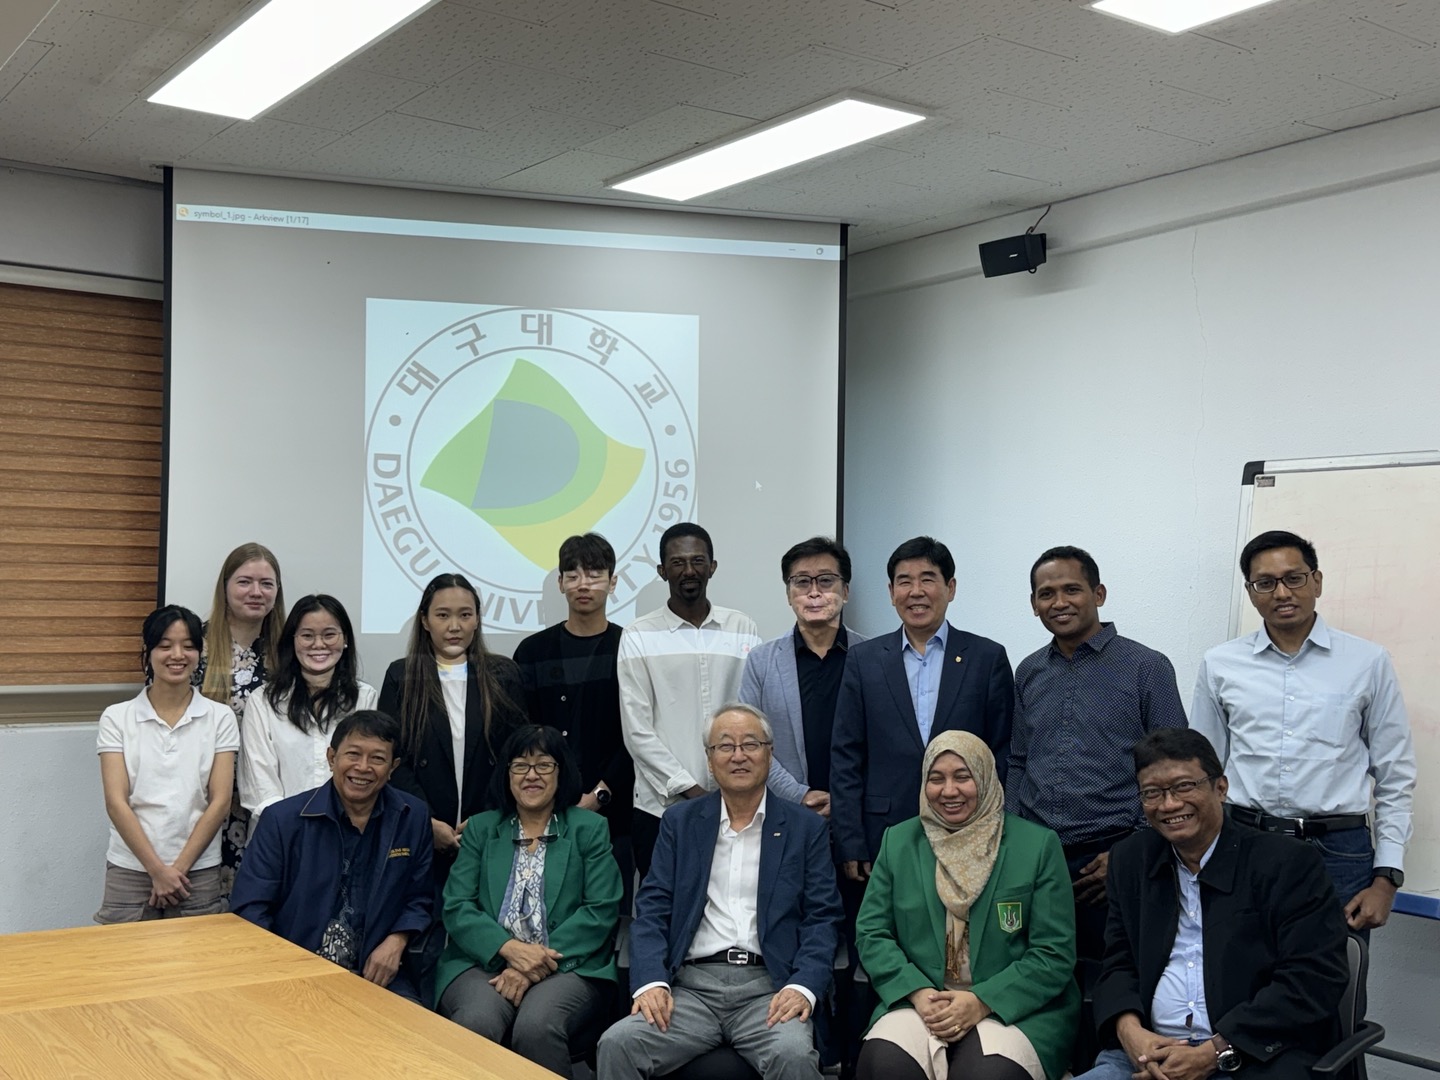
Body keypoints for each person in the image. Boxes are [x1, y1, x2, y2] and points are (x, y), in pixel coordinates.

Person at [1080, 728, 1349, 1080]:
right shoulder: (1131, 860)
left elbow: (1313, 979)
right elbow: (1118, 963)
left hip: (1255, 1057)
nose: (1169, 804)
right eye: (1152, 793)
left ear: (1220, 788)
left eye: (1184, 786)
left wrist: (1214, 1051)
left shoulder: (1286, 864)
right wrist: (1130, 1032)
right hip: (1150, 1057)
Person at [597, 703, 843, 1080]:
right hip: (690, 990)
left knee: (793, 1054)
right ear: (710, 761)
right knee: (617, 1044)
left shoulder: (804, 827)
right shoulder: (680, 822)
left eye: (751, 744)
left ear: (770, 753)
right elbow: (652, 910)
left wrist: (803, 986)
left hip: (770, 989)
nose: (738, 755)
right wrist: (651, 982)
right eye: (725, 746)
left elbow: (822, 919)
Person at [1190, 530, 1416, 934]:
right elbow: (1203, 770)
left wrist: (1387, 877)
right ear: (1251, 591)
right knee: (1237, 966)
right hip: (1243, 842)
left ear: (1317, 582)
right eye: (1265, 583)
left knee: (1333, 970)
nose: (1282, 593)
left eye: (1294, 578)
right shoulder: (1221, 664)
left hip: (1338, 854)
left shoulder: (1367, 662)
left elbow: (1395, 775)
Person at [855, 731, 1079, 1080]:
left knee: (986, 1075)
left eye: (963, 776)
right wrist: (918, 992)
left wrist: (981, 1001)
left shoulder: (1037, 846)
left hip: (1014, 1007)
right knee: (885, 1064)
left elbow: (1053, 952)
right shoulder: (898, 842)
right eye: (936, 779)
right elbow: (872, 933)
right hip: (922, 1000)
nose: (949, 791)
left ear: (985, 778)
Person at [1005, 546, 1186, 965]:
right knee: (1039, 973)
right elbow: (1018, 760)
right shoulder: (1029, 671)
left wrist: (1132, 853)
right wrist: (1014, 836)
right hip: (1038, 855)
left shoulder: (1147, 667)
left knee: (1116, 977)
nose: (1059, 602)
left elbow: (1172, 769)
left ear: (1098, 594)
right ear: (1034, 604)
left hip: (1113, 856)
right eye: (1046, 594)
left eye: (1072, 589)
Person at [436, 725, 623, 1078]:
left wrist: (532, 962)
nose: (531, 775)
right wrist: (507, 949)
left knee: (537, 1026)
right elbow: (457, 905)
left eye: (544, 765)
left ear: (561, 772)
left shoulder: (589, 828)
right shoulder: (482, 829)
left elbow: (600, 909)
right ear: (507, 775)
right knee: (475, 1021)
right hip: (482, 962)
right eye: (520, 765)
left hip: (568, 964)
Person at [832, 535, 1014, 884]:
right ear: (891, 592)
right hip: (883, 831)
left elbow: (1003, 751)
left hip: (968, 829)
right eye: (904, 582)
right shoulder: (863, 660)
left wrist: (996, 826)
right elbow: (846, 755)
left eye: (928, 579)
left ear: (950, 588)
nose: (916, 592)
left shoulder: (986, 658)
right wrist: (850, 840)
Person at [230, 710, 434, 1000]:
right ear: (331, 758)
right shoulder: (282, 820)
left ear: (393, 767)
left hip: (379, 974)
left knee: (414, 1027)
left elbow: (420, 897)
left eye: (377, 758)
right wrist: (282, 968)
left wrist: (397, 940)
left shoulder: (412, 817)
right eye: (353, 754)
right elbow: (250, 907)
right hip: (293, 971)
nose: (363, 767)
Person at [618, 523, 761, 881]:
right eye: (677, 562)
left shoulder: (742, 628)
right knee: (666, 906)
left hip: (737, 804)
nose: (689, 570)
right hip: (661, 810)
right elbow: (637, 731)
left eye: (698, 561)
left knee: (735, 902)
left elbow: (755, 714)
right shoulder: (638, 635)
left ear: (713, 567)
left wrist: (733, 786)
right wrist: (691, 790)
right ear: (662, 571)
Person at [377, 572, 528, 887]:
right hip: (421, 835)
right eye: (443, 615)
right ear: (425, 620)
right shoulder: (401, 675)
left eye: (465, 615)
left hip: (492, 830)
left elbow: (516, 754)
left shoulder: (503, 675)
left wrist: (489, 816)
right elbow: (392, 757)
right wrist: (425, 821)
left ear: (477, 620)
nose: (455, 626)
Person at [95, 605, 239, 923]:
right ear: (148, 652)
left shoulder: (220, 717)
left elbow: (220, 801)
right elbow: (116, 802)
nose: (177, 655)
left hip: (197, 871)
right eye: (165, 645)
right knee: (123, 955)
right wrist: (157, 870)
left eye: (188, 646)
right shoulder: (116, 717)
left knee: (196, 955)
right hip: (130, 868)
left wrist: (177, 870)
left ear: (199, 653)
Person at [513, 533, 634, 897]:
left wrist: (600, 795)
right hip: (540, 813)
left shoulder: (631, 648)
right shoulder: (532, 652)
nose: (584, 584)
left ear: (613, 582)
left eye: (595, 574)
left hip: (615, 817)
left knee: (610, 913)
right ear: (560, 583)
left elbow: (639, 731)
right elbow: (521, 732)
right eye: (573, 575)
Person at [740, 536, 868, 813]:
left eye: (826, 580)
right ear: (788, 594)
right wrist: (799, 795)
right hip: (784, 812)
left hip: (858, 811)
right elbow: (749, 742)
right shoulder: (761, 662)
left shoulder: (873, 657)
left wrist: (845, 797)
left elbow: (885, 742)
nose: (814, 592)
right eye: (802, 582)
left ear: (846, 591)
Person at [238, 594, 377, 831]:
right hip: (278, 834)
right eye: (307, 635)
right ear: (292, 640)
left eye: (329, 634)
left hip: (345, 831)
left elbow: (365, 772)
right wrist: (293, 829)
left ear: (345, 640)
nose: (318, 644)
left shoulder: (364, 698)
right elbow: (258, 781)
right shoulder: (263, 701)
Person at [194, 541, 286, 891]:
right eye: (245, 581)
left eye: (266, 584)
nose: (256, 592)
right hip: (204, 800)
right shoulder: (193, 645)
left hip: (269, 796)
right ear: (225, 587)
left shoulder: (290, 651)